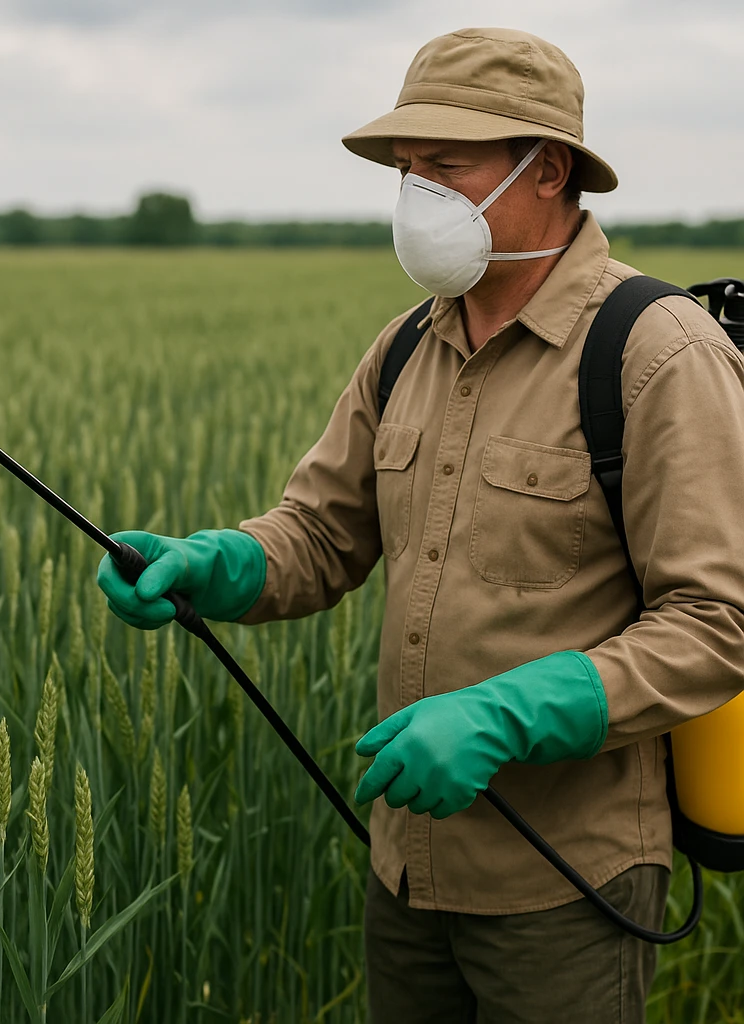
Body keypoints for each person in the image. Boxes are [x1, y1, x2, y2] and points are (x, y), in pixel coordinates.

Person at [96, 26, 744, 1023]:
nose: (416, 197)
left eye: (445, 167)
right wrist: (215, 563)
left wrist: (504, 713)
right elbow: (320, 534)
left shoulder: (657, 354)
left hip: (567, 886)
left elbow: (716, 623)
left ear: (548, 170)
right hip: (405, 868)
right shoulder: (405, 347)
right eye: (406, 170)